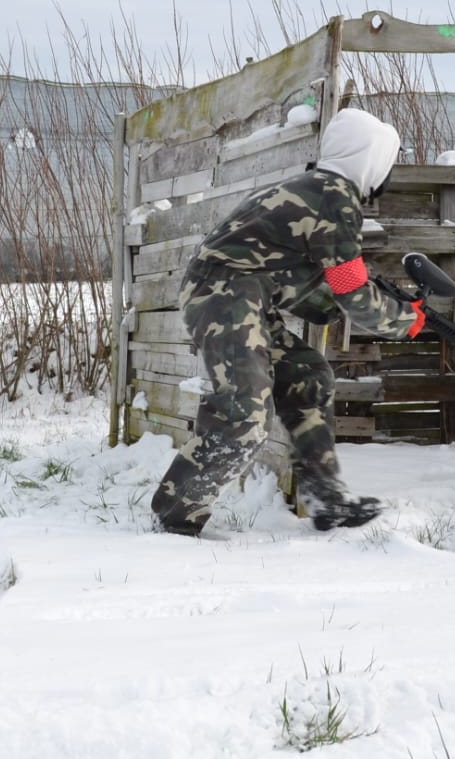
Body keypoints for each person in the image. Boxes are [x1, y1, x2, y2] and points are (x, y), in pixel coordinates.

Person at [150, 107, 427, 537]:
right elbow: (352, 290)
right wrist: (404, 320)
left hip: (241, 295)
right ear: (373, 158)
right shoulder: (336, 197)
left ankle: (326, 500)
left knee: (307, 375)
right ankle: (175, 516)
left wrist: (349, 300)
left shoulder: (315, 189)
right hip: (224, 294)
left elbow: (302, 277)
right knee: (245, 412)